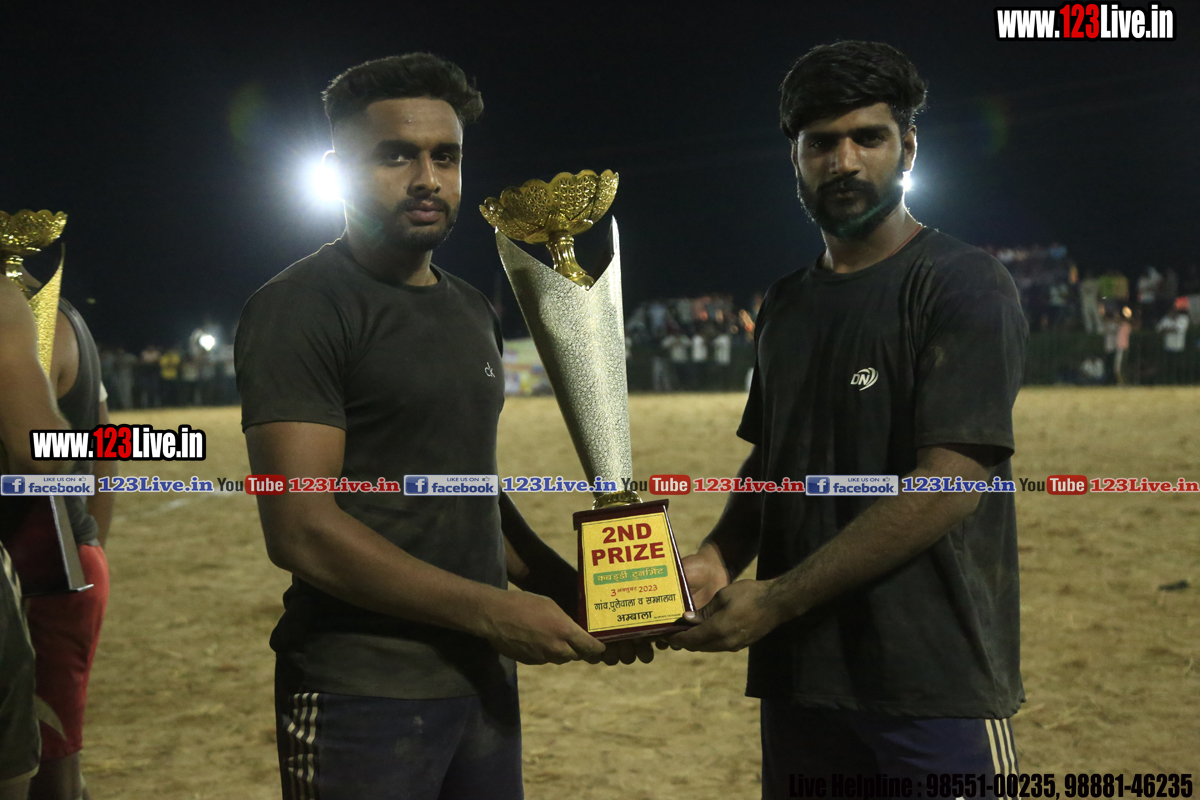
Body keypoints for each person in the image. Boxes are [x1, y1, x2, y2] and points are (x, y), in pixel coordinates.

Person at [235, 53, 643, 800]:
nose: (427, 178)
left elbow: (471, 491)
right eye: (396, 155)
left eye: (445, 157)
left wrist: (577, 591)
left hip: (481, 679)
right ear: (336, 170)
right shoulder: (300, 307)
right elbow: (300, 530)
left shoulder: (470, 308)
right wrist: (493, 611)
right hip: (364, 691)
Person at [668, 41, 1027, 784]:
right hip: (803, 681)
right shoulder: (785, 304)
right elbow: (772, 461)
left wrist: (779, 598)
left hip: (933, 680)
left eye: (868, 137)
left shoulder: (962, 283)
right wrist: (718, 556)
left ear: (908, 148)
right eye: (822, 143)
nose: (845, 162)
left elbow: (950, 484)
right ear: (795, 158)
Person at [0, 262, 114, 800]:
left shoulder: (31, 317)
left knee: (47, 763)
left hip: (42, 565)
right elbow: (106, 446)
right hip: (68, 554)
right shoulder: (64, 316)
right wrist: (93, 546)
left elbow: (39, 448)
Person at [1155, 306, 1189, 384]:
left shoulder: (1183, 319)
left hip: (1179, 346)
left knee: (1179, 366)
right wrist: (1169, 329)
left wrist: (1167, 330)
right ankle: (1169, 381)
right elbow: (1158, 328)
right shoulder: (1166, 319)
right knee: (1168, 366)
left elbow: (1179, 329)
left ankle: (1180, 381)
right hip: (1168, 346)